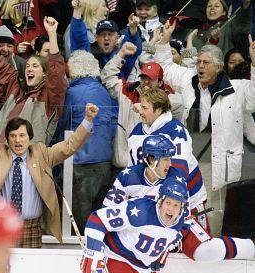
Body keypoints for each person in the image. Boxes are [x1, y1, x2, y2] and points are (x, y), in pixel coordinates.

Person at [81, 177, 255, 273]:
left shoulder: (182, 223)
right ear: (160, 201)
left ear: (182, 208)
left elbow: (206, 249)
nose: (171, 209)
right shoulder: (139, 211)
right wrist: (92, 255)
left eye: (176, 205)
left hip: (143, 267)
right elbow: (97, 219)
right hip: (117, 258)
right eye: (168, 203)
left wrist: (250, 247)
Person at [0, 99, 98, 247]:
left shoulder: (42, 154)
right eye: (13, 136)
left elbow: (69, 146)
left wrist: (88, 120)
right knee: (2, 269)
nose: (18, 140)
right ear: (7, 139)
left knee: (32, 269)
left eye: (22, 136)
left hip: (32, 228)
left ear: (29, 138)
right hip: (3, 226)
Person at [154, 20, 255, 236]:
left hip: (214, 161)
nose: (200, 66)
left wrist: (254, 64)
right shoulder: (189, 80)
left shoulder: (236, 89)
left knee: (211, 213)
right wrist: (165, 39)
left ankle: (209, 247)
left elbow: (254, 97)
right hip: (188, 158)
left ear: (218, 67)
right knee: (183, 205)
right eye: (198, 61)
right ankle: (185, 245)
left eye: (206, 63)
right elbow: (165, 67)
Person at [0, 1, 67, 146]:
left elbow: (56, 72)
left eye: (35, 66)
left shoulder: (51, 96)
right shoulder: (15, 87)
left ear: (45, 73)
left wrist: (51, 34)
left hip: (28, 160)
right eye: (27, 66)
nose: (29, 69)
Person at [128, 88, 209, 231]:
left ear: (158, 110)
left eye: (145, 108)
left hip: (186, 199)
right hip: (155, 202)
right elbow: (133, 171)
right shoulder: (136, 132)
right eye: (141, 106)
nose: (140, 111)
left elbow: (179, 171)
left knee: (195, 244)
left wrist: (167, 201)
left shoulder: (175, 130)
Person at [59, 49, 117, 235]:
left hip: (80, 163)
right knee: (98, 222)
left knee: (80, 226)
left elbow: (61, 124)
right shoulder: (104, 91)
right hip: (105, 161)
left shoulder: (73, 93)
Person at [100, 42, 183, 168]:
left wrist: (149, 104)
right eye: (143, 77)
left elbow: (180, 105)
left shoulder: (171, 97)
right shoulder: (127, 91)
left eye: (150, 78)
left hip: (155, 168)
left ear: (160, 82)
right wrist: (121, 54)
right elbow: (107, 77)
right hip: (125, 165)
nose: (145, 82)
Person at [103, 134, 209, 229]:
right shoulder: (128, 176)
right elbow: (107, 211)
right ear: (151, 160)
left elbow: (181, 220)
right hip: (131, 234)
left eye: (170, 159)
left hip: (162, 236)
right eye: (165, 159)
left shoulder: (176, 179)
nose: (170, 164)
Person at [69, 0, 142, 80]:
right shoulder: (89, 56)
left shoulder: (122, 56)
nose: (106, 38)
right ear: (96, 38)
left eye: (110, 34)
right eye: (102, 35)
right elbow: (79, 40)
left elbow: (133, 49)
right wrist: (77, 11)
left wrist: (133, 29)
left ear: (117, 38)